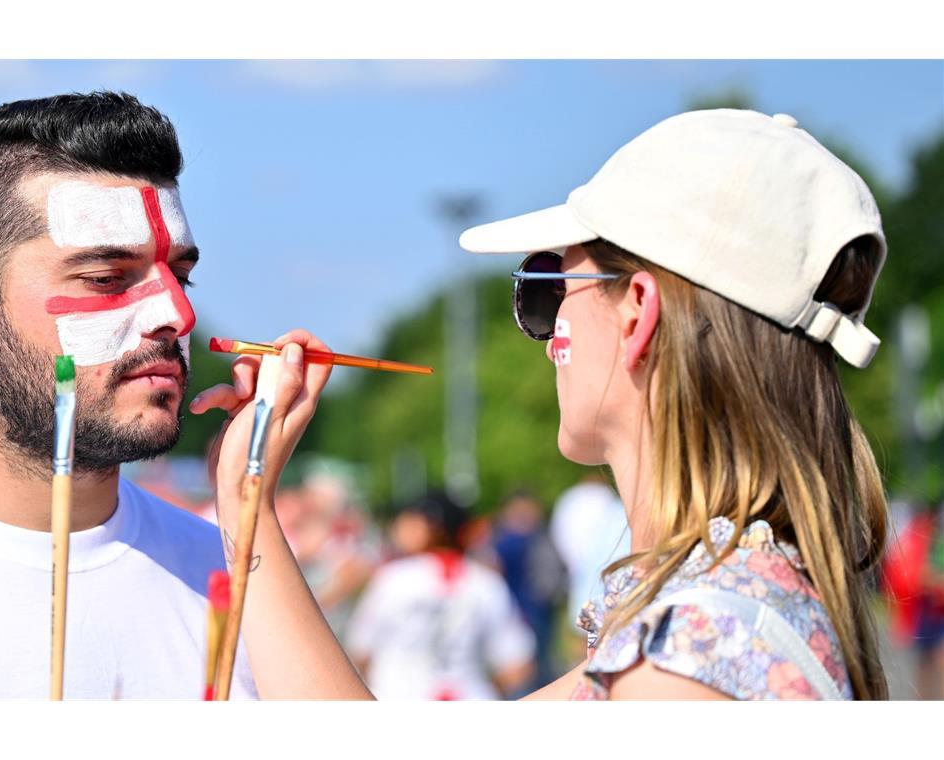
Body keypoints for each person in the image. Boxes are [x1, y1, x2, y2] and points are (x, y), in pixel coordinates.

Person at [205, 108, 893, 700]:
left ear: (636, 315)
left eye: (546, 290)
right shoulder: (714, 614)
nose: (541, 336)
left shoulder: (691, 658)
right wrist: (247, 496)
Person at [0, 92, 320, 699]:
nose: (178, 316)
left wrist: (247, 504)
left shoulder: (236, 571)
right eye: (105, 279)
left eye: (180, 277)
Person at [346, 491, 535, 699]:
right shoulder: (486, 582)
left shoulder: (393, 578)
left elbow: (360, 651)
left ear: (432, 527)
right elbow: (519, 666)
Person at [548, 474, 630, 665]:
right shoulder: (611, 506)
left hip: (585, 577)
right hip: (609, 579)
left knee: (584, 648)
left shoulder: (570, 500)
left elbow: (562, 538)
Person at [491, 490, 567, 687]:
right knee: (537, 661)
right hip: (537, 605)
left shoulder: (505, 540)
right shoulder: (539, 536)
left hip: (525, 608)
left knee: (527, 663)